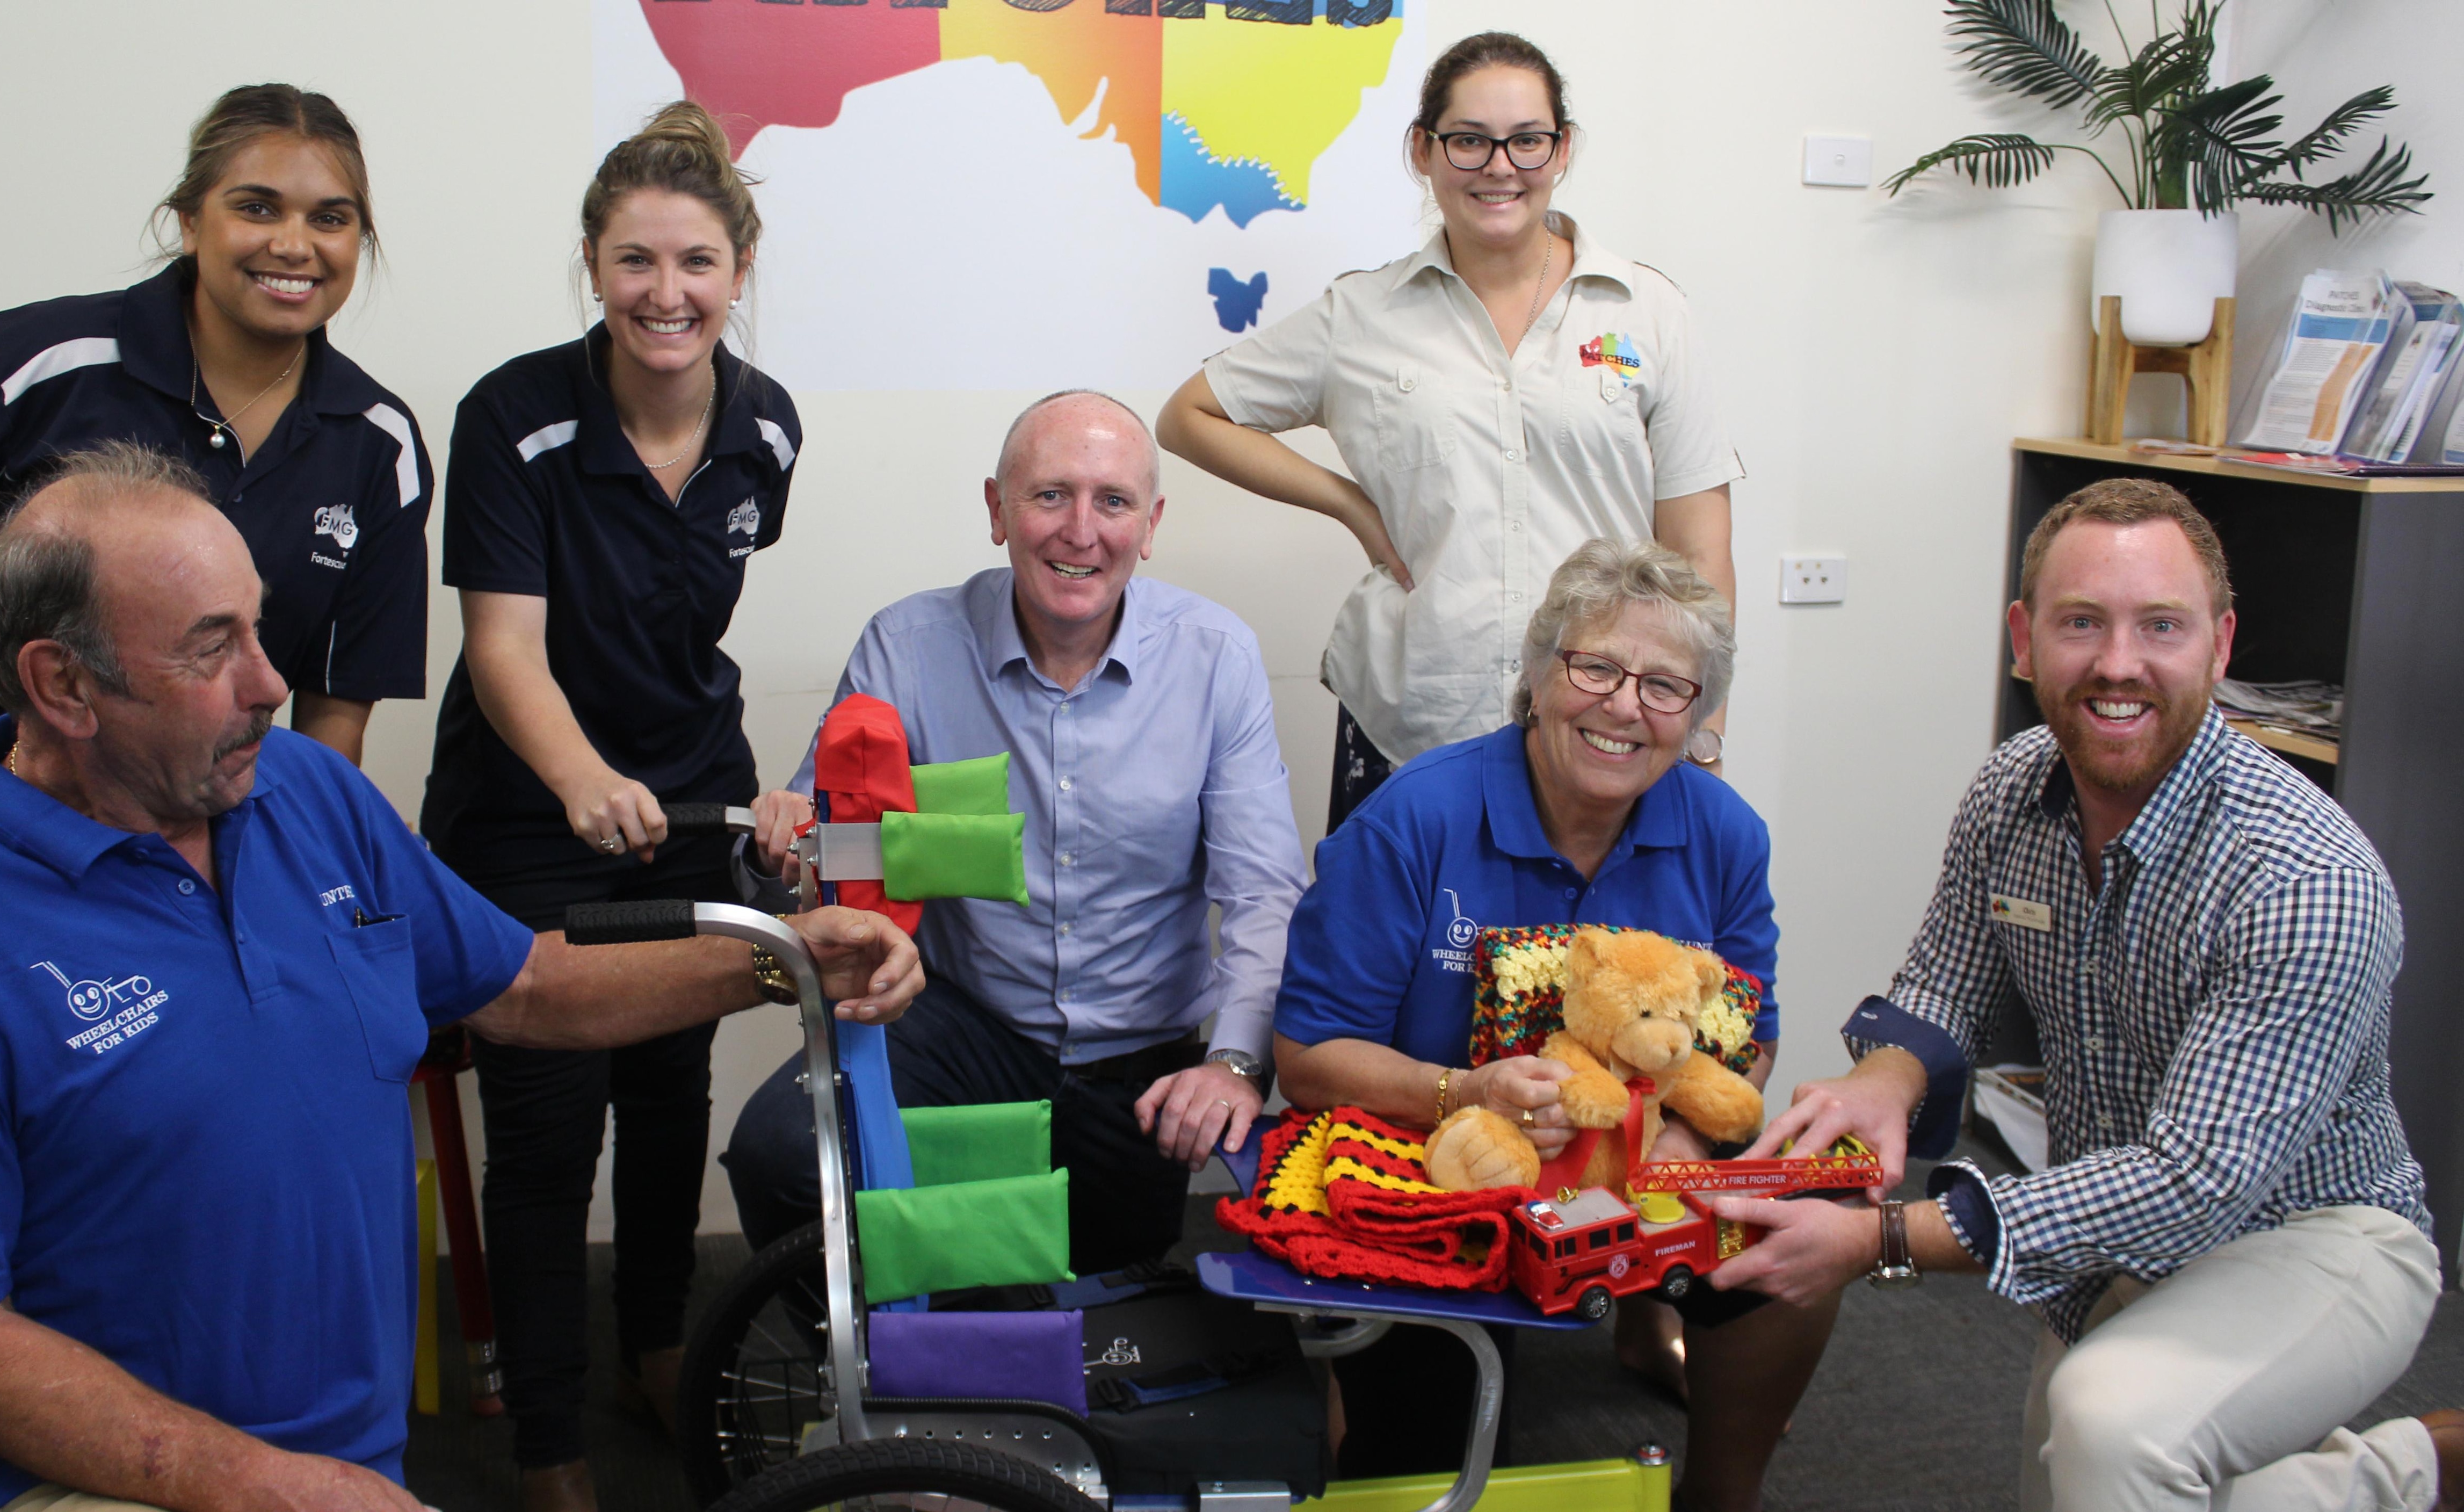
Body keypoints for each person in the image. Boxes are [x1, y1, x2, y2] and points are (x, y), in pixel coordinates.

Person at [0, 443, 919, 1512]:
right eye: (210, 648)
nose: (269, 681)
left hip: (349, 1473)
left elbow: (523, 984)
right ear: (63, 685)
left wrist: (780, 963)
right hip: (86, 1486)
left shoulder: (303, 793)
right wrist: (266, 1488)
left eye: (260, 625)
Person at [1714, 479, 2464, 1510]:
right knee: (2104, 1471)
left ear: (2221, 643)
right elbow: (1944, 980)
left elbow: (2195, 1179)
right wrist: (1882, 1083)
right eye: (2081, 623)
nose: (2119, 664)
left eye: (2162, 625)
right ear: (2023, 639)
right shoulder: (2011, 788)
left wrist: (1877, 1239)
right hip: (2107, 1229)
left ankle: (2394, 1472)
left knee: (2113, 1427)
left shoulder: (2306, 878)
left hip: (2316, 1238)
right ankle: (2410, 1472)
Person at [0, 84, 433, 988]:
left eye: (330, 218)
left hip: (168, 830)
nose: (294, 244)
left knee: (125, 1116)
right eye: (256, 207)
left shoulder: (380, 444)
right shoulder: (36, 364)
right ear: (188, 221)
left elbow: (333, 710)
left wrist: (298, 843)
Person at [1271, 538, 1832, 1510]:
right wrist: (1467, 1092)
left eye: (1666, 686)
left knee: (1812, 1243)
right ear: (1538, 675)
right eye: (1596, 667)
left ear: (1697, 715)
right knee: (1416, 1454)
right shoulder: (1412, 820)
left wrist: (1681, 1139)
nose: (1624, 707)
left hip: (1644, 1166)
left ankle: (1721, 1492)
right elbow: (1309, 1055)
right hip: (1441, 1161)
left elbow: (1751, 1034)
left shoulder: (1726, 834)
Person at [414, 102, 799, 1509]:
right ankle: (549, 1448)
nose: (667, 293)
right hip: (530, 817)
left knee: (670, 1088)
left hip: (693, 798)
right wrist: (583, 784)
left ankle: (654, 1349)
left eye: (696, 262)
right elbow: (505, 649)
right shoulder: (513, 418)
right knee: (547, 1124)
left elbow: (679, 644)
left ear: (739, 267)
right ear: (594, 263)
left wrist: (734, 795)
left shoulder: (767, 430)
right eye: (636, 260)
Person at [722, 390, 1308, 1277]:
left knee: (1101, 1316)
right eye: (1049, 496)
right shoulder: (907, 646)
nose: (1082, 530)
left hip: (1138, 1064)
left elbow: (1265, 891)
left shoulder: (1216, 657)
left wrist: (1233, 1063)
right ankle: (892, 1381)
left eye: (1112, 502)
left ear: (1149, 526)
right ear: (997, 510)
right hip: (964, 1027)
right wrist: (781, 854)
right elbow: (829, 870)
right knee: (779, 1156)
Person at [1156, 31, 1741, 833]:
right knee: (1392, 956)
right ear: (1424, 152)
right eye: (1469, 141)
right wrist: (1351, 505)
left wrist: (1703, 733)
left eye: (1527, 140)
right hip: (1415, 722)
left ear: (1562, 148)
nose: (1500, 166)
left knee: (1597, 962)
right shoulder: (1361, 316)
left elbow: (1701, 557)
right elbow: (1189, 416)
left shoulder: (1647, 310)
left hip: (1606, 730)